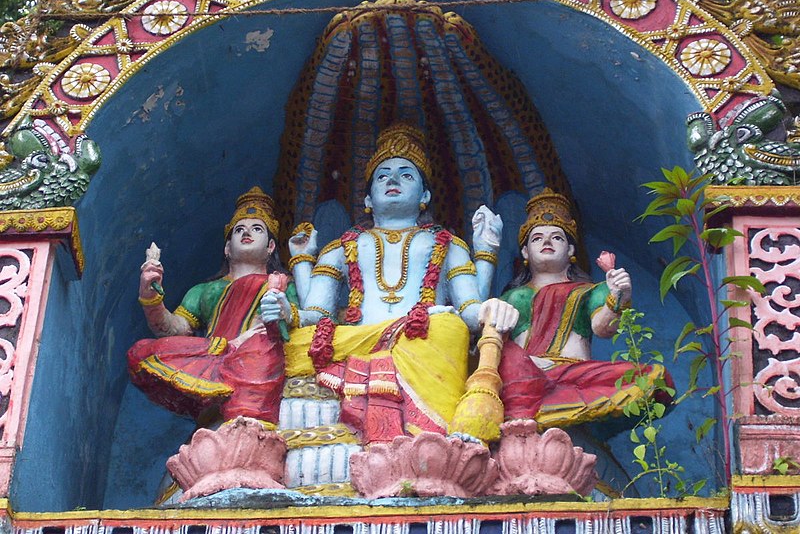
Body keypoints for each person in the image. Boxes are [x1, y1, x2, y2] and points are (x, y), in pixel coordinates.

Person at [261, 123, 519, 444]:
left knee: (449, 327)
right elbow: (315, 315)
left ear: (425, 195)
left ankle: (431, 434)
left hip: (421, 338)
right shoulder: (340, 248)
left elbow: (468, 311)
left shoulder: (448, 244)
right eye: (382, 176)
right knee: (294, 345)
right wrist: (288, 311)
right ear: (368, 198)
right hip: (358, 337)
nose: (393, 181)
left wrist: (490, 304)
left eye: (406, 175)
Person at [498, 188, 672, 428]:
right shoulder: (512, 296)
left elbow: (603, 328)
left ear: (570, 250)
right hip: (525, 376)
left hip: (574, 373)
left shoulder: (590, 291)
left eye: (557, 237)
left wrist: (619, 295)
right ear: (525, 251)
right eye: (537, 238)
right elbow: (497, 343)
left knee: (650, 378)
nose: (547, 242)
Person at [128, 186, 295, 426]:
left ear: (270, 247)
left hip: (259, 361)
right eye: (239, 230)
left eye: (256, 229)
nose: (246, 233)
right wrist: (151, 297)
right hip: (216, 359)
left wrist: (280, 313)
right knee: (145, 350)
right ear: (227, 248)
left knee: (259, 353)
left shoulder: (282, 285)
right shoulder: (205, 290)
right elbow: (174, 328)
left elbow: (294, 320)